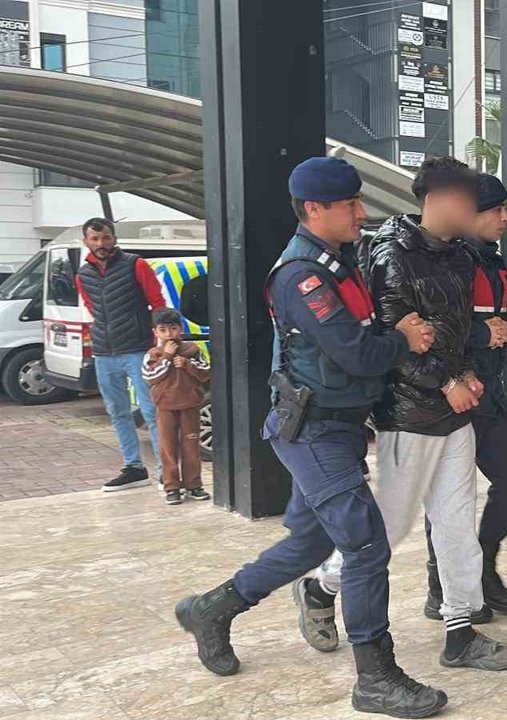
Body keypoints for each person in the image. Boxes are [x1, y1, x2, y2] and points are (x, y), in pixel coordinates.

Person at [174, 157, 446, 719]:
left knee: (310, 544)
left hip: (336, 429)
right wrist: (402, 338)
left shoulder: (339, 262)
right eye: (349, 204)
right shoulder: (304, 276)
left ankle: (212, 608)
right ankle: (376, 677)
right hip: (314, 431)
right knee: (365, 545)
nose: (360, 213)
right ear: (315, 209)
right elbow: (356, 352)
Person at [303, 157, 507, 672]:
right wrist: (446, 382)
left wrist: (465, 373)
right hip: (408, 414)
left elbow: (452, 331)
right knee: (389, 527)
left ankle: (460, 630)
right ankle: (321, 587)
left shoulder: (461, 256)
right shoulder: (391, 254)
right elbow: (394, 340)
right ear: (440, 200)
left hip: (456, 409)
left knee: (456, 523)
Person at [422, 173, 507, 619]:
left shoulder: (494, 261)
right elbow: (430, 330)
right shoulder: (448, 261)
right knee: (449, 498)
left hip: (491, 393)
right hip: (451, 393)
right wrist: (485, 334)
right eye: (496, 210)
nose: (505, 218)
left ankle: (483, 567)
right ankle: (440, 586)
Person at [76, 217, 166, 492]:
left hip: (138, 349)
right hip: (104, 352)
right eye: (95, 239)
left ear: (114, 238)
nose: (101, 243)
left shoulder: (136, 265)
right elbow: (92, 308)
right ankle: (134, 468)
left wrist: (159, 345)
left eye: (106, 237)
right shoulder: (83, 275)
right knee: (117, 412)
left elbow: (158, 304)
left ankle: (167, 471)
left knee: (151, 411)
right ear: (86, 241)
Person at [141, 308, 211, 505]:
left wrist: (188, 365)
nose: (169, 334)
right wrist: (167, 357)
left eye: (173, 328)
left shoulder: (192, 350)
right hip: (165, 407)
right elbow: (149, 377)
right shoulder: (153, 354)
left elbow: (206, 372)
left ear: (180, 329)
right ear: (155, 332)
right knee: (168, 448)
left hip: (190, 405)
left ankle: (194, 485)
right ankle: (172, 487)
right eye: (163, 330)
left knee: (191, 447)